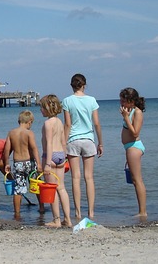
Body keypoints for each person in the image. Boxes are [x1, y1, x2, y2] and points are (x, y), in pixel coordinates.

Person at [62, 73, 103, 220]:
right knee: (89, 178)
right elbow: (96, 123)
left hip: (73, 140)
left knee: (75, 177)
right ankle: (91, 212)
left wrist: (63, 144)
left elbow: (67, 124)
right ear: (84, 85)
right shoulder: (91, 100)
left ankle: (77, 212)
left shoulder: (67, 101)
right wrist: (100, 143)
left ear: (72, 86)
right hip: (88, 139)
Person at [40, 94, 72, 228]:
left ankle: (56, 220)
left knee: (52, 190)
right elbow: (63, 141)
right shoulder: (59, 122)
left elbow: (49, 143)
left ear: (47, 108)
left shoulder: (48, 123)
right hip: (60, 156)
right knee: (62, 188)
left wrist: (47, 163)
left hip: (50, 156)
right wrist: (65, 157)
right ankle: (68, 219)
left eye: (42, 107)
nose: (41, 110)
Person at [3, 110, 42, 218]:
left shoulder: (11, 133)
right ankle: (42, 208)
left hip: (18, 163)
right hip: (30, 162)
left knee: (18, 189)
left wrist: (7, 163)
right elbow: (34, 149)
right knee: (36, 184)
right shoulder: (29, 133)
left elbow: (7, 150)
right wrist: (39, 163)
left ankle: (17, 213)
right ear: (29, 121)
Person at [120, 87, 147, 218]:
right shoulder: (129, 111)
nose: (121, 103)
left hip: (134, 146)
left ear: (131, 101)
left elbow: (135, 132)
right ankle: (141, 210)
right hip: (130, 148)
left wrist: (126, 118)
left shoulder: (137, 112)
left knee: (137, 180)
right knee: (134, 180)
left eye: (124, 101)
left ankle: (142, 211)